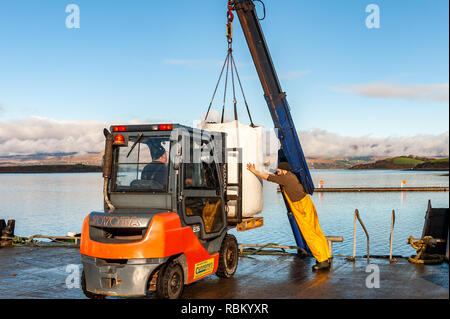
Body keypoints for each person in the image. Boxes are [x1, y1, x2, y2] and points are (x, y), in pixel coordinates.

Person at [247, 161, 331, 271]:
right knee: (316, 230)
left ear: (283, 170)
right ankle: (326, 257)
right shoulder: (290, 175)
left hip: (301, 208)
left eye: (278, 170)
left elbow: (268, 178)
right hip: (307, 204)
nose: (277, 171)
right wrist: (263, 168)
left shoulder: (285, 178)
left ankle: (322, 261)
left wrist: (254, 171)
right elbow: (274, 175)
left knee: (309, 234)